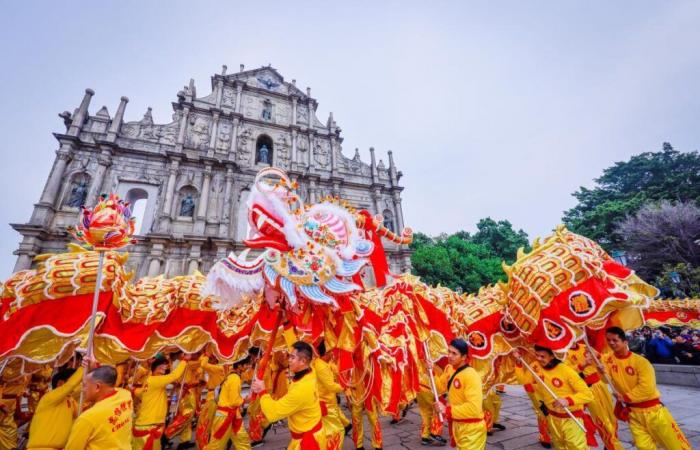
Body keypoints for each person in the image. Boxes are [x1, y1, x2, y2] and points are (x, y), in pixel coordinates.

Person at [600, 326, 690, 450]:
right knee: (643, 446)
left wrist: (626, 397)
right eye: (609, 340)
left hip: (653, 411)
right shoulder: (608, 359)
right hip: (632, 413)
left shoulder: (641, 362)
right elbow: (606, 380)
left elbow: (647, 388)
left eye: (615, 340)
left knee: (674, 444)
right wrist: (601, 371)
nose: (611, 343)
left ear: (625, 342)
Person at [513, 345, 594, 450]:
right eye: (537, 355)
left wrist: (567, 400)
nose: (539, 359)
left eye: (542, 356)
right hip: (553, 417)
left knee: (576, 447)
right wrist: (519, 363)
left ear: (552, 356)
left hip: (570, 419)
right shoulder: (535, 366)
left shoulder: (566, 370)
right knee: (559, 446)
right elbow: (523, 381)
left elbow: (588, 395)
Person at [251, 341, 326, 450]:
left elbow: (273, 413)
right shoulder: (311, 371)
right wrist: (287, 324)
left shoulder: (301, 390)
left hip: (307, 442)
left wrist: (262, 391)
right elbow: (295, 341)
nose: (289, 360)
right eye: (289, 356)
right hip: (313, 432)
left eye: (292, 357)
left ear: (303, 361)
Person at [565, 341, 624, 450]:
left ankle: (609, 443)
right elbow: (566, 373)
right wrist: (583, 365)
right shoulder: (563, 353)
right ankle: (614, 447)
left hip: (600, 385)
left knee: (612, 417)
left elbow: (602, 359)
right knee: (602, 421)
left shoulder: (585, 346)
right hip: (587, 389)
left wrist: (598, 357)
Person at [433, 338, 487, 450]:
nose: (450, 356)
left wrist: (446, 410)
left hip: (472, 430)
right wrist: (431, 370)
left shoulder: (471, 376)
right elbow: (439, 388)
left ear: (463, 357)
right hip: (458, 425)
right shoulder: (449, 369)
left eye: (454, 353)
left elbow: (474, 408)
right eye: (449, 352)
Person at [64, 365, 133, 450]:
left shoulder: (87, 418)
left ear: (97, 387)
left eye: (85, 385)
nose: (83, 389)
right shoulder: (125, 395)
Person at [132, 354, 188, 450]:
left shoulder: (150, 380)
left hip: (146, 424)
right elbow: (174, 375)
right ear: (155, 367)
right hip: (150, 425)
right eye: (161, 365)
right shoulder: (156, 380)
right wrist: (184, 360)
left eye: (165, 365)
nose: (164, 367)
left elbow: (141, 394)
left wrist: (133, 390)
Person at [26, 363, 83, 449]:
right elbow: (70, 385)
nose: (80, 385)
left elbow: (81, 414)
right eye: (79, 382)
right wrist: (85, 367)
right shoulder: (50, 397)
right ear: (60, 383)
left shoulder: (70, 400)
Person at [204, 358, 251, 450]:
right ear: (239, 366)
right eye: (246, 364)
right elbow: (234, 401)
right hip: (224, 416)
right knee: (216, 446)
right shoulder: (235, 378)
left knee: (242, 439)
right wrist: (245, 400)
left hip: (232, 414)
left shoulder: (231, 375)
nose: (248, 366)